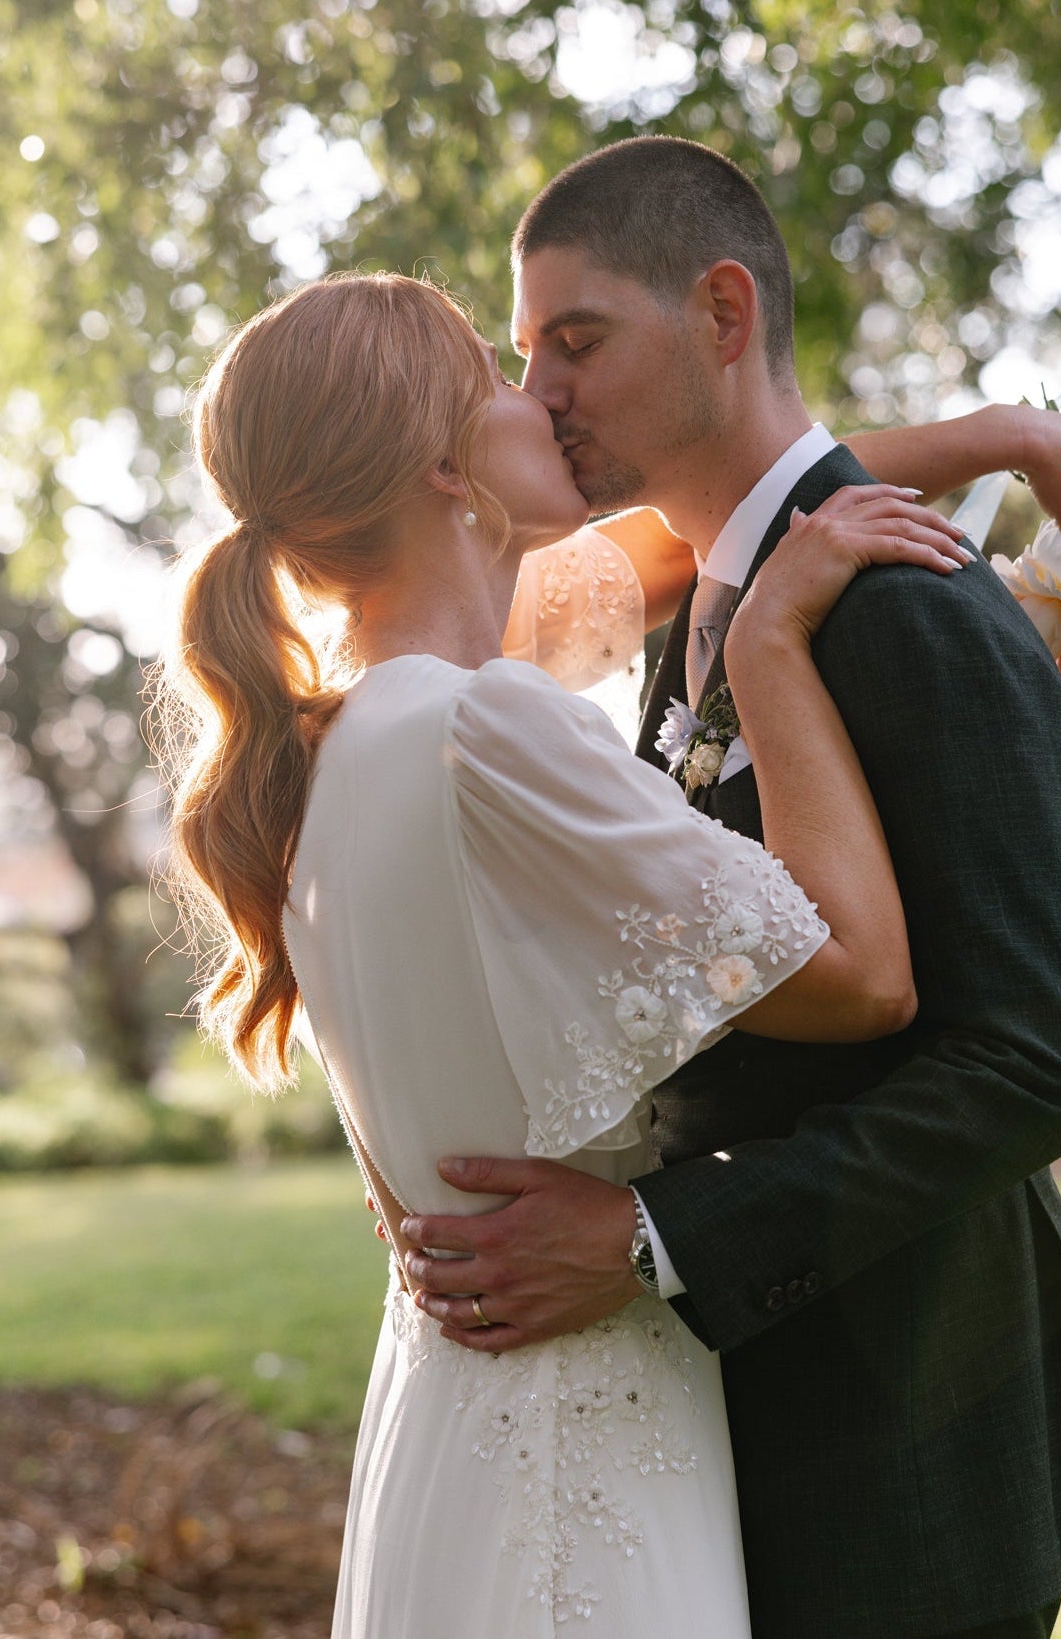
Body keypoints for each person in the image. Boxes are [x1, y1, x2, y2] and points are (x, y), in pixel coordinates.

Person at [401, 137, 1061, 1639]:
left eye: (577, 340)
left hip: (901, 1461)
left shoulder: (909, 611)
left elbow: (1029, 1064)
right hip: (723, 1453)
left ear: (723, 311)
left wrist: (647, 1241)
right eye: (524, 353)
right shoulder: (710, 600)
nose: (540, 392)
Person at [153, 269, 976, 1637]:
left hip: (452, 1419)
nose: (538, 393)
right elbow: (863, 978)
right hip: (577, 1435)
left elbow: (700, 534)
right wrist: (770, 642)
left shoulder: (329, 750)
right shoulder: (491, 731)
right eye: (495, 373)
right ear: (442, 469)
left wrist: (996, 438)